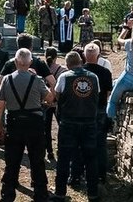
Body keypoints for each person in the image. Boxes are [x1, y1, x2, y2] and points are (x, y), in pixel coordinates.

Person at [0, 48, 53, 202]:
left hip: (14, 124)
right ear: (30, 63)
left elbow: (0, 107)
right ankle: (41, 195)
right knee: (37, 161)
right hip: (34, 124)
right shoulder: (37, 80)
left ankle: (7, 195)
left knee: (12, 162)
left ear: (15, 62)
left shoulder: (7, 80)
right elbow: (50, 99)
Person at [51, 51, 100, 202]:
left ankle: (60, 193)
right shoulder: (94, 77)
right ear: (81, 61)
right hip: (89, 123)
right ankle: (93, 193)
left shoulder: (64, 77)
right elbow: (96, 95)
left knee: (64, 158)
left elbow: (57, 95)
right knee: (91, 159)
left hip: (69, 122)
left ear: (67, 64)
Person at [76, 43, 113, 185]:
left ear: (84, 56)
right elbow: (108, 93)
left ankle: (78, 173)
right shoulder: (105, 72)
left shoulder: (79, 71)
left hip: (82, 110)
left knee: (80, 143)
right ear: (98, 56)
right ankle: (100, 174)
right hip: (99, 109)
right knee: (100, 144)